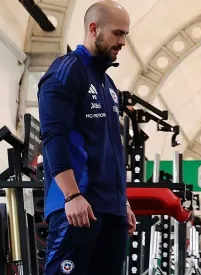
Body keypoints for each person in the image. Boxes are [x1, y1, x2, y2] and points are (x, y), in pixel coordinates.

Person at [37, 1, 136, 274]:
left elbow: (110, 150)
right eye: (118, 33)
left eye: (125, 34)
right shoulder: (67, 71)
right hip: (78, 208)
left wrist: (122, 203)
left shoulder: (108, 84)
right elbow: (53, 137)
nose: (123, 42)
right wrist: (71, 196)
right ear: (94, 29)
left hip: (111, 212)